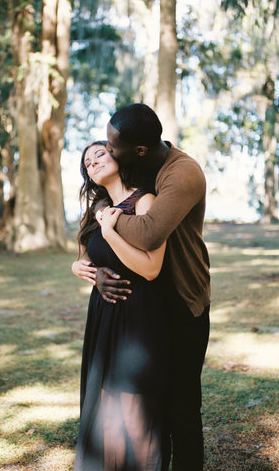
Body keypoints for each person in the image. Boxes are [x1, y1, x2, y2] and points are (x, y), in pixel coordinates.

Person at [94, 104, 211, 471]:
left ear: (140, 149)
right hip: (148, 308)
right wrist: (95, 269)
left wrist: (107, 223)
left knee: (181, 408)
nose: (108, 151)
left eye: (113, 147)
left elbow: (148, 233)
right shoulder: (136, 166)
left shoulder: (183, 172)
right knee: (149, 403)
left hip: (183, 302)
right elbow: (106, 218)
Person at [72, 140, 172, 471]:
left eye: (99, 153)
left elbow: (150, 268)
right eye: (87, 162)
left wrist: (111, 231)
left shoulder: (145, 201)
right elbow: (93, 256)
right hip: (103, 317)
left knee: (133, 414)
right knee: (105, 413)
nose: (93, 162)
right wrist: (80, 268)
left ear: (117, 155)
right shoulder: (98, 207)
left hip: (137, 319)